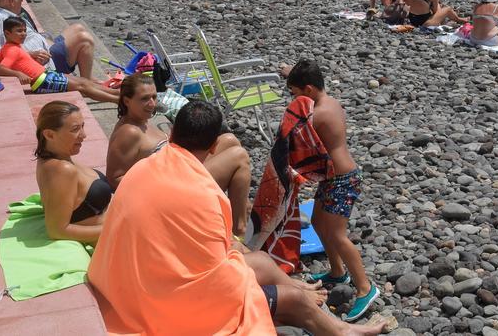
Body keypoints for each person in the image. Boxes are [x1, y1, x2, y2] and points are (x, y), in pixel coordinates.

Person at [88, 100, 387, 335]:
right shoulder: (203, 192)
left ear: (171, 134)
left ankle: (302, 293)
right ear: (215, 146)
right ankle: (337, 328)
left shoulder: (145, 167)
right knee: (290, 301)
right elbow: (217, 272)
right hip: (161, 303)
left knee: (259, 261)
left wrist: (242, 258)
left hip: (127, 279)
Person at [285, 61, 381, 321]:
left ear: (308, 88)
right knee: (317, 221)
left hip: (343, 180)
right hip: (334, 179)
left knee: (338, 235)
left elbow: (297, 140)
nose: (294, 99)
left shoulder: (318, 115)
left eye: (295, 93)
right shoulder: (330, 103)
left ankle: (365, 287)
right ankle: (338, 271)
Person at [106, 74, 252, 237]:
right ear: (126, 101)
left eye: (154, 97)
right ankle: (239, 228)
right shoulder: (129, 131)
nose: (152, 103)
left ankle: (241, 206)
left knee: (229, 140)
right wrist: (151, 189)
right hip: (167, 187)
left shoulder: (142, 122)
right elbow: (114, 178)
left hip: (177, 170)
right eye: (144, 99)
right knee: (239, 156)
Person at [0, 0, 98, 78]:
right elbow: (1, 53)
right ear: (11, 2)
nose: (22, 1)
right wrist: (31, 54)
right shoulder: (0, 21)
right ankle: (86, 82)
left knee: (78, 27)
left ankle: (88, 78)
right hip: (45, 62)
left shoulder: (2, 14)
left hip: (46, 51)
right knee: (84, 39)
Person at [34, 100, 112, 244]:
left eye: (82, 126)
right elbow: (57, 230)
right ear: (49, 135)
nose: (84, 135)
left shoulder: (56, 159)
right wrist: (116, 229)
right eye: (75, 129)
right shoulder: (62, 170)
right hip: (108, 241)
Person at [0, 17, 119, 103]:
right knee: (83, 86)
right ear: (7, 33)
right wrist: (18, 73)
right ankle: (118, 99)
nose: (24, 34)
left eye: (25, 30)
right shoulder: (12, 50)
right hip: (42, 81)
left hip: (46, 75)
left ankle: (117, 94)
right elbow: (1, 69)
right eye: (19, 31)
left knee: (83, 82)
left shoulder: (9, 47)